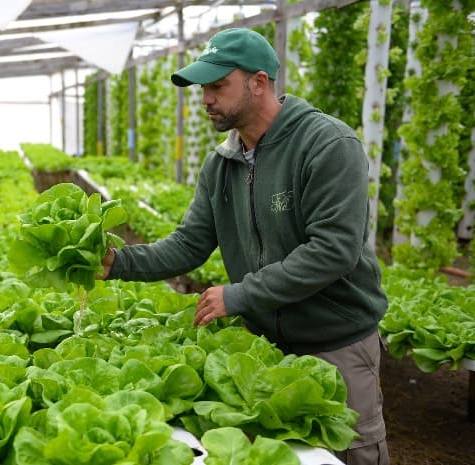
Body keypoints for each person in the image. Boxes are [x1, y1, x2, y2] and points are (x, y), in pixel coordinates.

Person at [100, 27, 389, 465]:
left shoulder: (328, 144)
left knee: (351, 453)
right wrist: (117, 262)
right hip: (261, 347)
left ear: (259, 82)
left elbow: (333, 250)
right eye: (203, 89)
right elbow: (189, 244)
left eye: (218, 86)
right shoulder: (222, 162)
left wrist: (239, 295)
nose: (206, 100)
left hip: (335, 342)